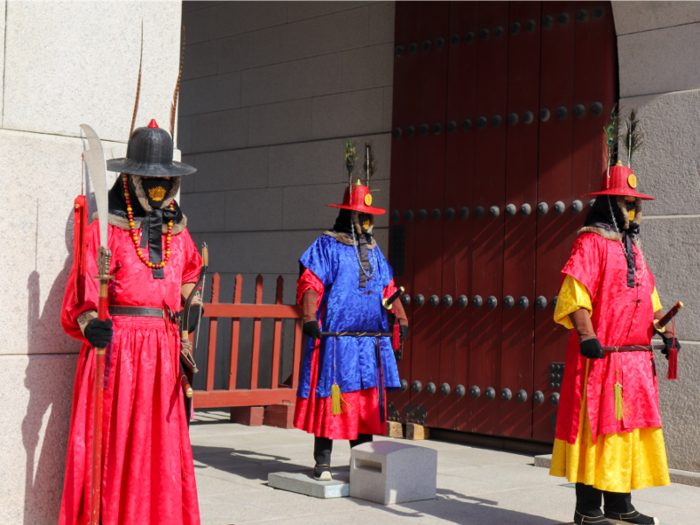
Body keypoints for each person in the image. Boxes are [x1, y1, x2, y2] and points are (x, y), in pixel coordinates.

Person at [59, 120, 203, 524]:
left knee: (159, 447)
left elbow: (192, 275)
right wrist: (90, 324)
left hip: (163, 355)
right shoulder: (105, 232)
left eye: (164, 180)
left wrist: (190, 312)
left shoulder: (180, 234)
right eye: (149, 179)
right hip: (118, 354)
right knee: (116, 444)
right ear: (131, 179)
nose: (158, 188)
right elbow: (81, 293)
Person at [550, 159, 679, 525]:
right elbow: (574, 292)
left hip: (633, 363)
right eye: (628, 203)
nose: (635, 210)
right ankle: (587, 510)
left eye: (636, 204)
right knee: (596, 436)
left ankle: (621, 506)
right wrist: (587, 334)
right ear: (610, 204)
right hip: (601, 361)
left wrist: (665, 332)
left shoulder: (633, 246)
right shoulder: (590, 243)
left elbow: (649, 298)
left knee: (626, 437)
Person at [293, 172, 408, 481]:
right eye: (362, 215)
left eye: (369, 217)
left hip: (369, 342)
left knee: (368, 402)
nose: (366, 222)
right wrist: (308, 317)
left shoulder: (375, 250)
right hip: (337, 341)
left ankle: (365, 462)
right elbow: (310, 283)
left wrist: (401, 316)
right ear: (348, 213)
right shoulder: (326, 246)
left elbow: (389, 287)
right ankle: (324, 461)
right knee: (333, 400)